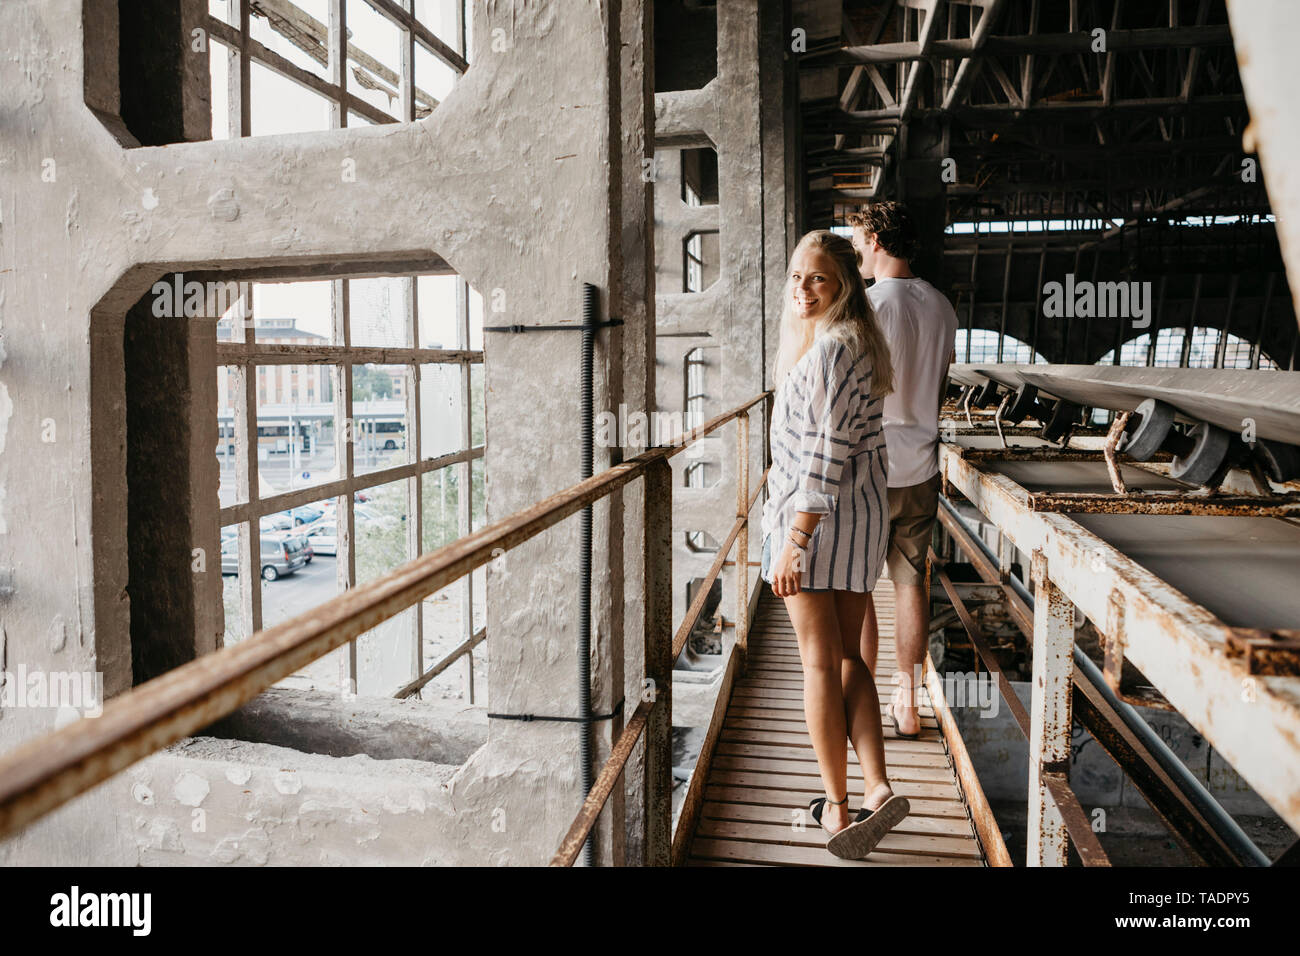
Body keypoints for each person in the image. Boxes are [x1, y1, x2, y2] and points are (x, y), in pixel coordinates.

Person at [759, 229, 911, 859]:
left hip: (814, 522)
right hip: (860, 521)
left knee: (819, 663)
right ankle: (877, 787)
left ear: (843, 284)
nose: (803, 288)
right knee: (849, 657)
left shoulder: (830, 351)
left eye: (818, 278)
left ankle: (837, 809)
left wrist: (795, 539)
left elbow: (825, 453)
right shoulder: (856, 343)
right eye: (798, 275)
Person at [848, 202, 959, 740]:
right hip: (921, 463)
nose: (856, 251)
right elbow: (937, 389)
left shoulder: (869, 305)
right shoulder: (942, 306)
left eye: (858, 240)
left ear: (876, 239)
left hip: (871, 463)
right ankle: (908, 704)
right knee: (911, 584)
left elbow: (859, 390)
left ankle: (864, 700)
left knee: (860, 586)